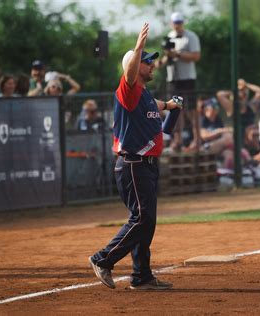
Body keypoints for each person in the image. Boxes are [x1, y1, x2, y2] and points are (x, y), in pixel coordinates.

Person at [89, 23, 180, 291]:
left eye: (151, 62)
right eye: (146, 62)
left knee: (146, 221)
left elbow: (159, 106)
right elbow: (129, 75)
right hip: (133, 165)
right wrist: (138, 47)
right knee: (142, 218)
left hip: (147, 166)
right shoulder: (127, 91)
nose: (152, 65)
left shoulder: (146, 96)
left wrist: (171, 106)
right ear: (134, 66)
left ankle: (141, 277)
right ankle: (103, 259)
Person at [155, 12, 201, 152]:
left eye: (179, 22)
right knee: (176, 110)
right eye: (175, 22)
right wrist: (160, 63)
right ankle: (178, 140)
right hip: (173, 80)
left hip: (187, 79)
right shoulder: (169, 36)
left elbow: (196, 56)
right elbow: (167, 56)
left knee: (192, 110)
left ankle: (197, 140)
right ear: (171, 23)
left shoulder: (191, 36)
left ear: (183, 23)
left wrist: (178, 54)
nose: (177, 25)